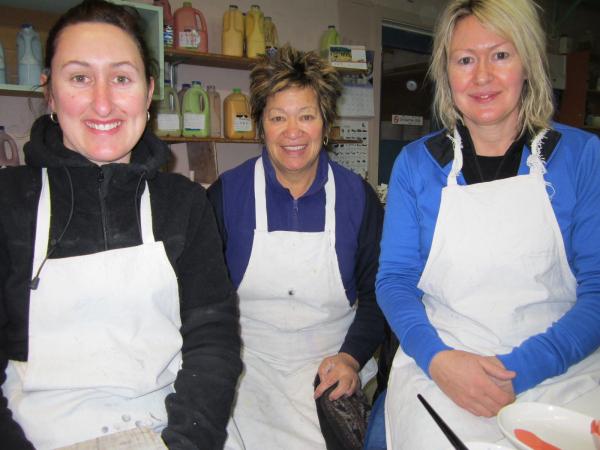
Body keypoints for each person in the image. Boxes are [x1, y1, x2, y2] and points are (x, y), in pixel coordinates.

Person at [0, 1, 242, 449]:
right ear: (50, 92)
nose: (103, 101)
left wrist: (184, 443)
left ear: (149, 92)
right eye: (79, 77)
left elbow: (213, 341)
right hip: (41, 433)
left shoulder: (184, 204)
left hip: (171, 428)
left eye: (121, 78)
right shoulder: (10, 201)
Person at [376, 0, 600, 447]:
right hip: (442, 368)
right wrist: (439, 360)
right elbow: (395, 280)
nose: (481, 76)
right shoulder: (416, 165)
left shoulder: (582, 157)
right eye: (464, 60)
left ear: (528, 65)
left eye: (500, 55)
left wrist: (519, 372)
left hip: (561, 371)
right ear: (447, 73)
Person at [207, 45, 385, 450]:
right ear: (260, 125)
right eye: (277, 117)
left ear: (326, 123)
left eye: (306, 116)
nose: (293, 132)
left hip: (327, 369)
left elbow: (378, 296)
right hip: (243, 369)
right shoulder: (227, 195)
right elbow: (200, 297)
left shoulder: (358, 198)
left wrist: (352, 358)